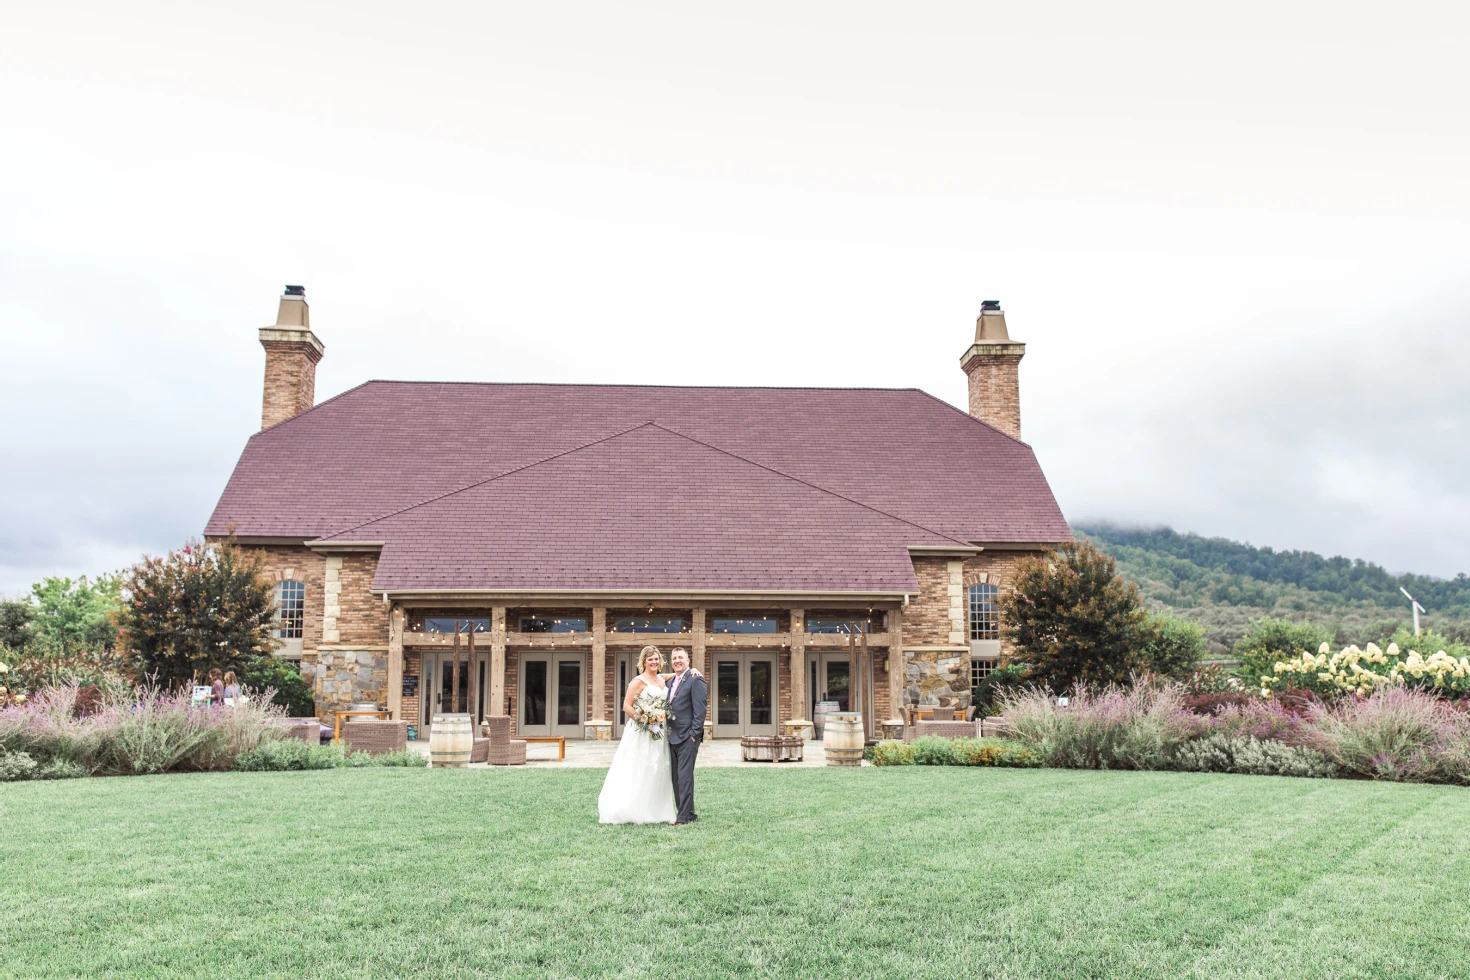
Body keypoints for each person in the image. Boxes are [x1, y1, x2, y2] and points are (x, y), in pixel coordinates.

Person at [597, 646, 677, 824]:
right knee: (640, 766)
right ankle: (632, 808)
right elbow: (627, 706)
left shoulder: (661, 679)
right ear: (643, 662)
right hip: (642, 732)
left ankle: (656, 810)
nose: (654, 662)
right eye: (650, 660)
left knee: (657, 767)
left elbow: (678, 675)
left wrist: (691, 670)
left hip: (659, 731)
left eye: (656, 659)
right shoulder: (638, 681)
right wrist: (645, 721)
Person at [664, 647, 707, 826]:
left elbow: (700, 710)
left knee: (685, 776)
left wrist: (694, 735)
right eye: (674, 658)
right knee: (676, 777)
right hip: (671, 736)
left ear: (688, 660)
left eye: (680, 658)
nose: (677, 661)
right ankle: (688, 812)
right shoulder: (670, 681)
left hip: (687, 738)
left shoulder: (696, 680)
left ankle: (682, 818)